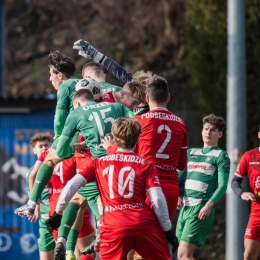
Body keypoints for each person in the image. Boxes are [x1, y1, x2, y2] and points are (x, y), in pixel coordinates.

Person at [49, 117, 178, 260]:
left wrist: (58, 213)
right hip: (143, 224)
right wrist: (168, 230)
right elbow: (157, 199)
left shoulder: (98, 163)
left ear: (115, 138)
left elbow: (72, 185)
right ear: (137, 139)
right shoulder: (146, 164)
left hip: (114, 227)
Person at [45, 88, 134, 259]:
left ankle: (65, 241)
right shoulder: (116, 107)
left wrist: (57, 213)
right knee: (98, 203)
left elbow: (61, 153)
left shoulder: (78, 115)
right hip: (118, 166)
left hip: (96, 166)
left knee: (79, 198)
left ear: (77, 103)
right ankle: (83, 240)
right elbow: (135, 127)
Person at [15, 51, 79, 215]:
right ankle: (100, 222)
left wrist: (58, 134)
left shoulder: (64, 86)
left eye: (51, 75)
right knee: (88, 191)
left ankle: (31, 203)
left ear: (60, 75)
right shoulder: (82, 83)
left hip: (73, 136)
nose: (50, 79)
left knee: (47, 161)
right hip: (90, 137)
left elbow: (59, 117)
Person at [176, 114, 230, 260]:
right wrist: (175, 196)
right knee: (180, 255)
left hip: (200, 209)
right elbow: (174, 177)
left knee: (184, 254)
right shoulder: (191, 153)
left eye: (212, 130)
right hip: (184, 208)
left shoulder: (220, 155)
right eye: (206, 129)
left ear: (219, 134)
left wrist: (208, 205)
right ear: (201, 131)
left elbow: (223, 185)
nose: (208, 132)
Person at [73, 39, 152, 115]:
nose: (141, 94)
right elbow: (119, 71)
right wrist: (95, 54)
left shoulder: (153, 106)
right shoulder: (131, 88)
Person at [231, 129, 260, 260]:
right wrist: (242, 193)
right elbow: (235, 181)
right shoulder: (249, 156)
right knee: (249, 255)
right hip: (257, 212)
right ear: (259, 134)